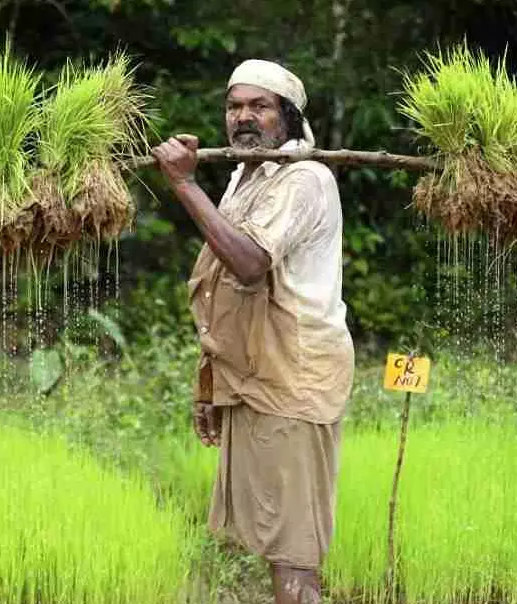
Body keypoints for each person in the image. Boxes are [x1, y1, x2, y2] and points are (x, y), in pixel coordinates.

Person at [151, 59, 355, 604]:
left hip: (292, 380)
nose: (243, 117)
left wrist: (185, 184)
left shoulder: (305, 179)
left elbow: (247, 264)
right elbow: (222, 289)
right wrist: (210, 385)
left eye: (259, 106)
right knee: (270, 544)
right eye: (234, 105)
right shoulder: (248, 176)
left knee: (294, 558)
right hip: (254, 376)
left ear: (286, 117)